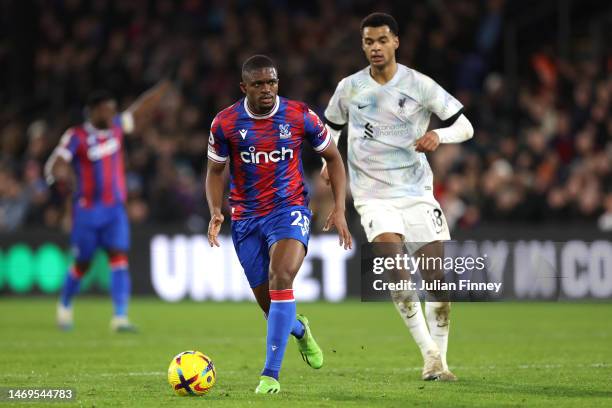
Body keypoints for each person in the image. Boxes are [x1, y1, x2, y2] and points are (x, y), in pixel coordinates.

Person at [322, 13, 474, 381]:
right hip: (373, 194)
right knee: (394, 265)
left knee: (436, 277)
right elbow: (332, 126)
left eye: (381, 41)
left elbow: (465, 126)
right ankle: (429, 356)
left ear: (396, 42)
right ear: (363, 46)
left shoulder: (419, 85)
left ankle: (442, 361)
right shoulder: (350, 88)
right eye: (368, 42)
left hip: (417, 192)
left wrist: (439, 136)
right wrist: (331, 157)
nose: (375, 48)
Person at [206, 55, 352, 394]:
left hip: (290, 209)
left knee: (281, 275)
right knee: (270, 303)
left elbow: (333, 157)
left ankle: (269, 376)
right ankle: (300, 330)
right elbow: (215, 172)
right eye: (258, 84)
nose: (267, 89)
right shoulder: (225, 123)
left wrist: (340, 207)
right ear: (244, 87)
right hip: (245, 218)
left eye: (271, 82)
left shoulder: (300, 115)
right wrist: (216, 210)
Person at [45, 80, 172, 332]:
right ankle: (65, 305)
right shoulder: (77, 136)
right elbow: (56, 162)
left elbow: (139, 110)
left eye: (113, 109)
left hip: (114, 210)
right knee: (83, 263)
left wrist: (160, 90)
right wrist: (58, 176)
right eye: (106, 110)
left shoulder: (116, 128)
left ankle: (120, 317)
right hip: (87, 211)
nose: (111, 114)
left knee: (119, 259)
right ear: (92, 111)